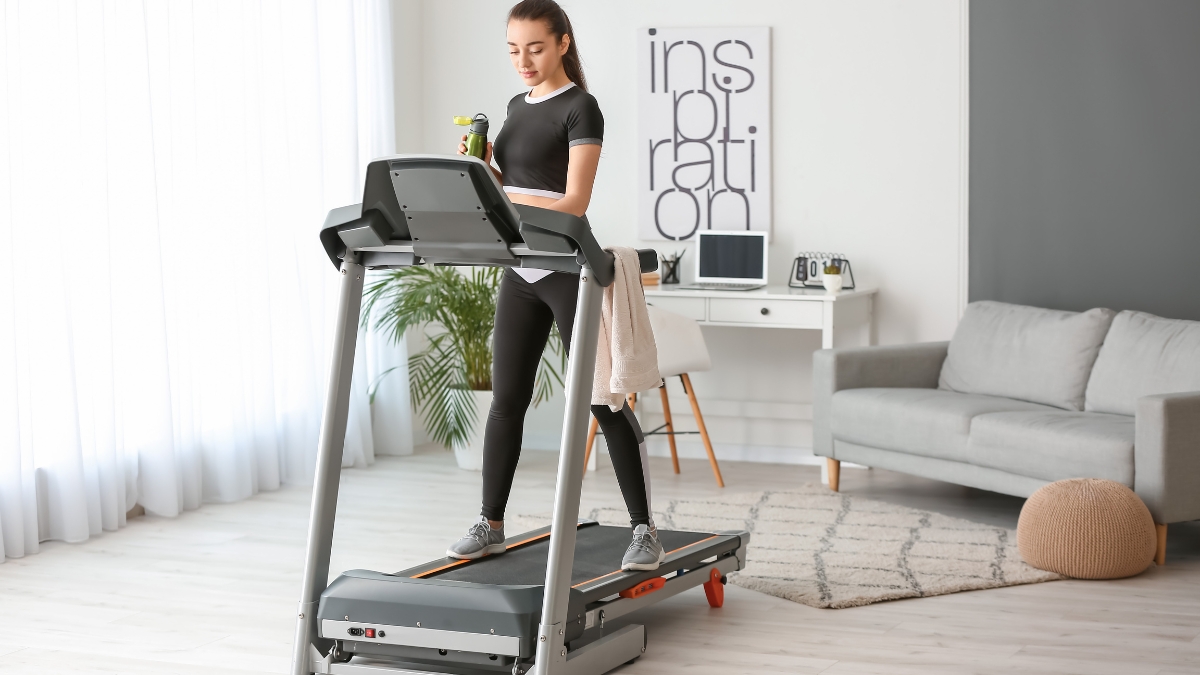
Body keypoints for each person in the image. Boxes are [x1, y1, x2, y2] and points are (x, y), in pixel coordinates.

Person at [446, 0, 662, 572]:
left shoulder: (581, 108)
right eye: (514, 50)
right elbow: (514, 188)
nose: (524, 60)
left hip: (568, 268)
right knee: (506, 402)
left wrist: (503, 194)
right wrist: (484, 173)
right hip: (521, 271)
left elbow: (572, 203)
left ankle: (644, 529)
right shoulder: (516, 107)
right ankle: (490, 523)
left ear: (563, 43)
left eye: (535, 48)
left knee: (603, 401)